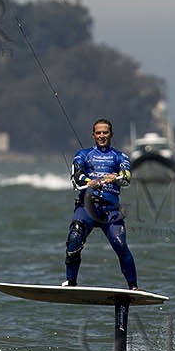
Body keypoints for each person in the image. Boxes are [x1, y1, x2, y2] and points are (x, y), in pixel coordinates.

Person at [62, 118, 138, 288]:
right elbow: (76, 176)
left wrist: (116, 177)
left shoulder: (120, 156)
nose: (102, 136)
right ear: (93, 135)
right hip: (86, 208)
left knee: (120, 244)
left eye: (105, 132)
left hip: (110, 211)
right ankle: (71, 282)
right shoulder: (83, 154)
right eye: (98, 133)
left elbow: (126, 178)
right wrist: (90, 181)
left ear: (111, 134)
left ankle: (133, 286)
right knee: (75, 235)